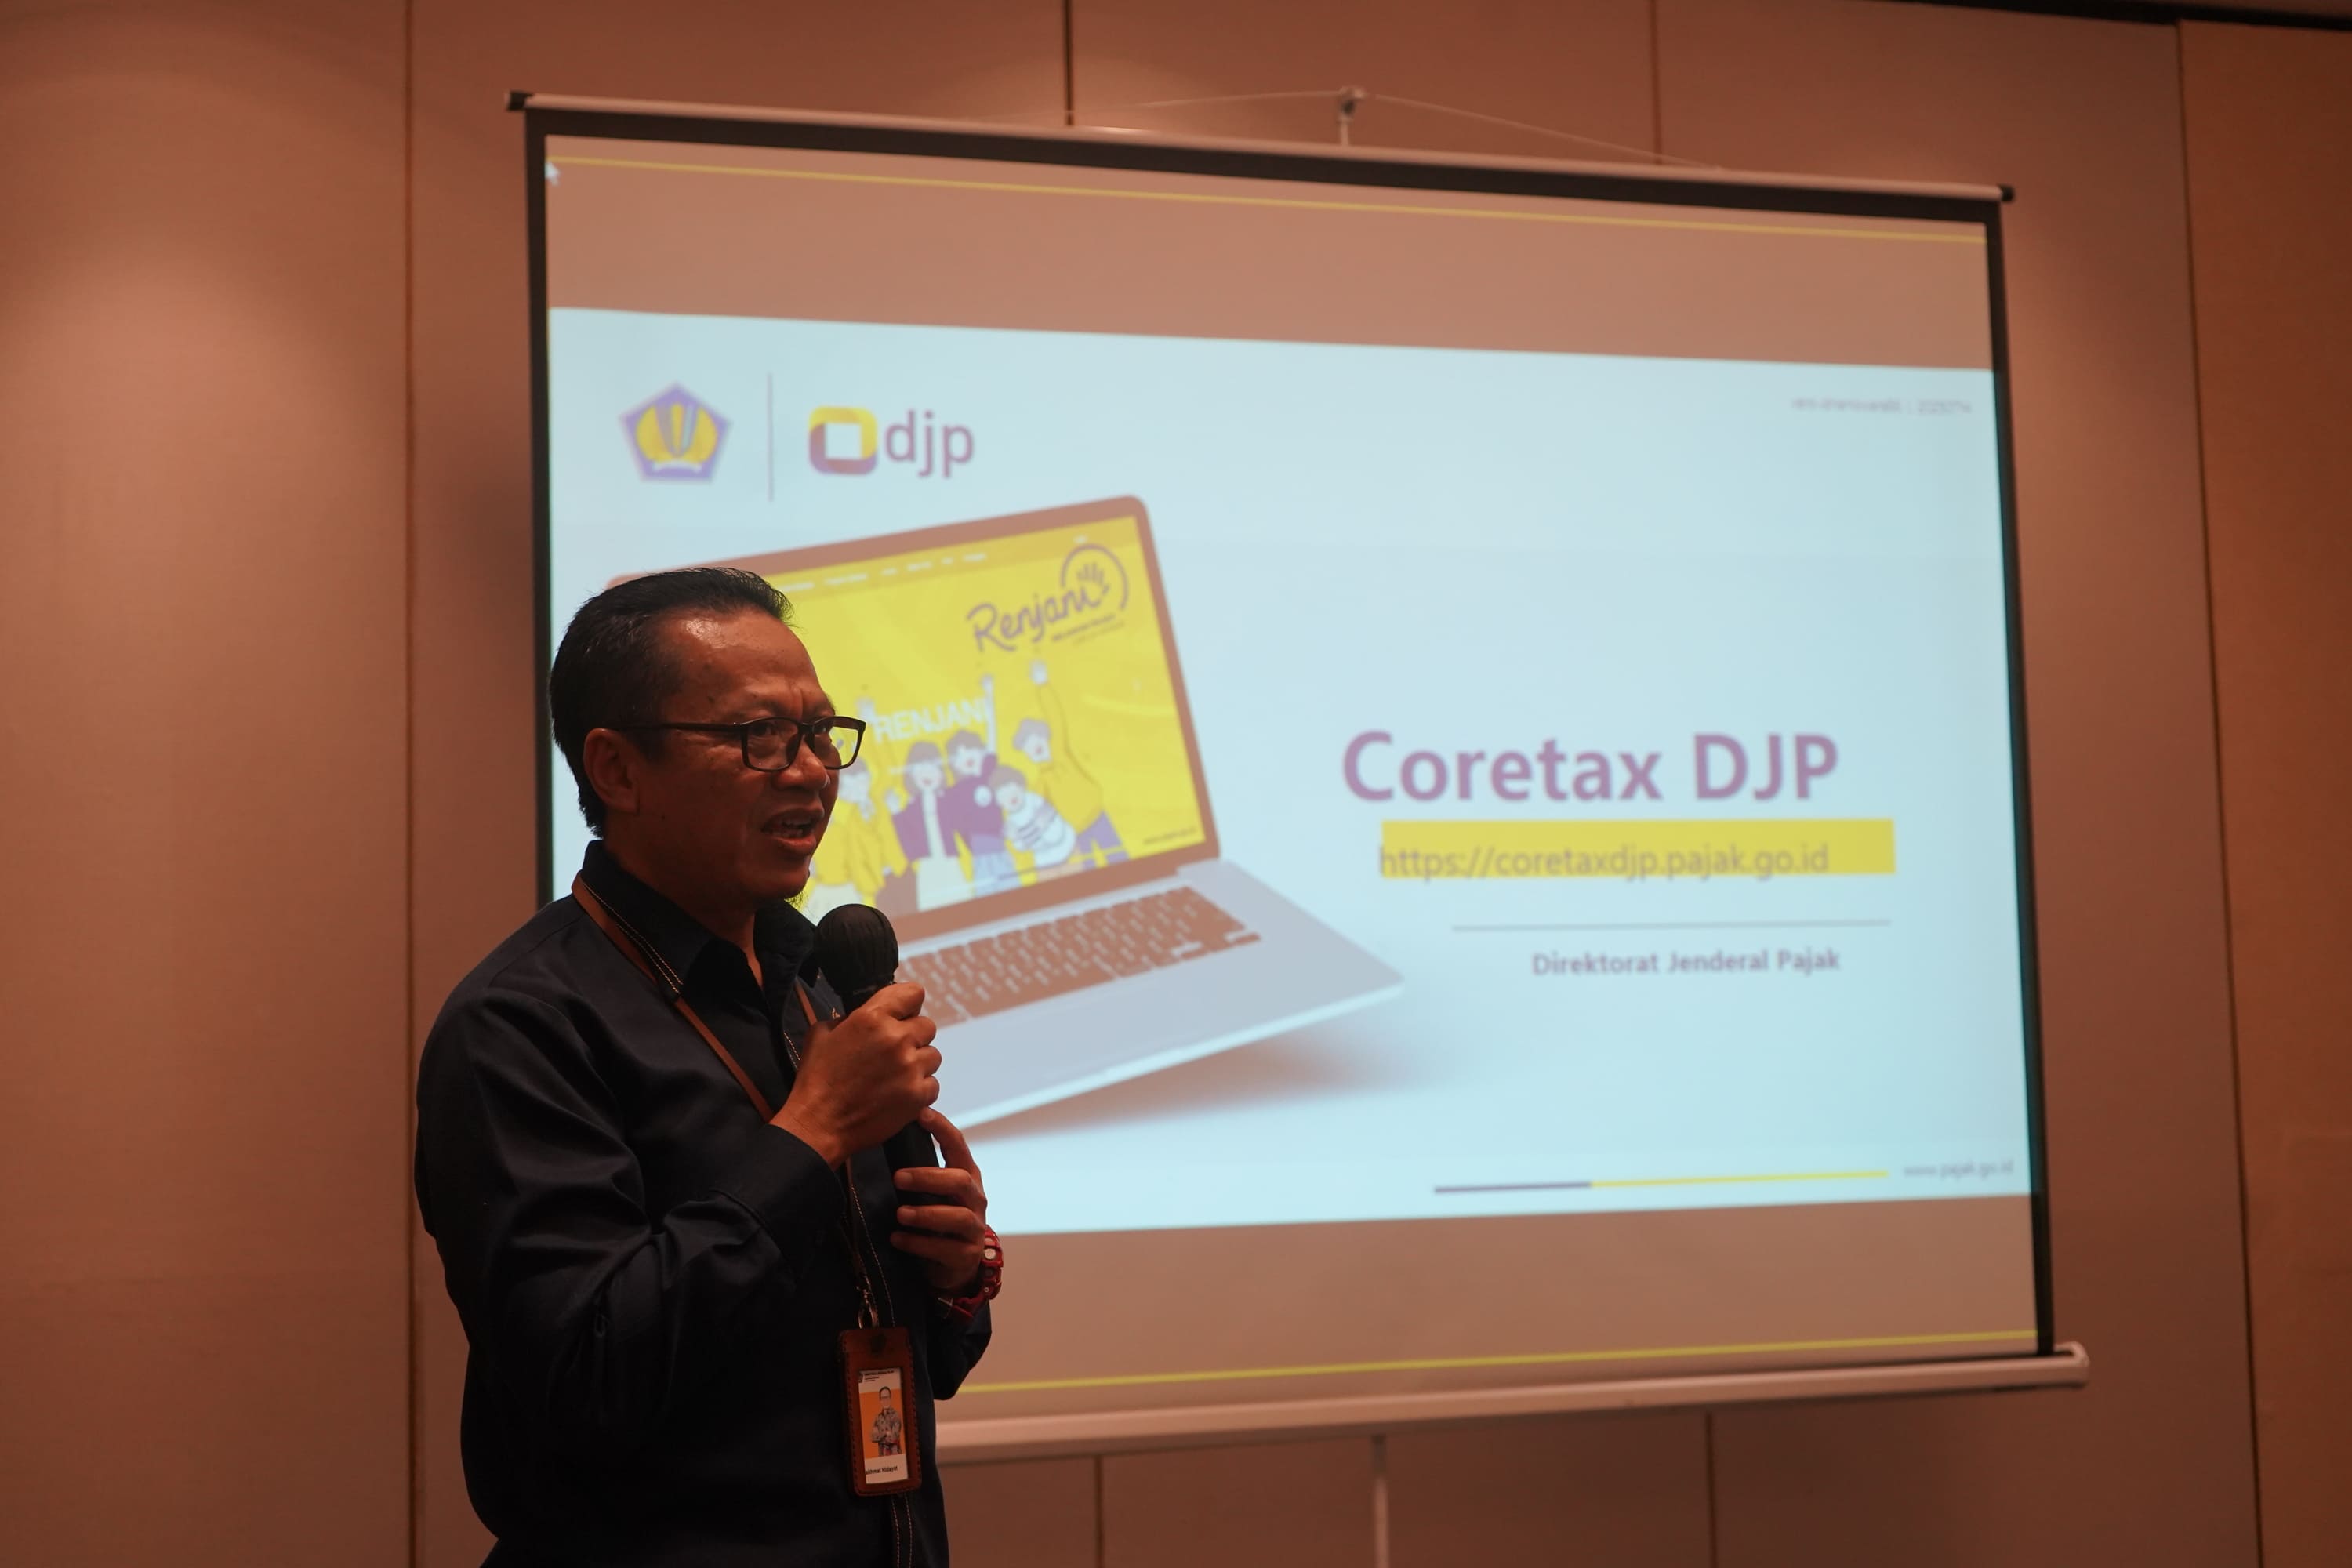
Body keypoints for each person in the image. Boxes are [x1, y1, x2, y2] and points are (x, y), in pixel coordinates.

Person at [415, 568, 999, 1567]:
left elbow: (896, 1351)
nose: (810, 771)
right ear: (617, 769)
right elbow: (582, 1376)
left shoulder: (818, 979)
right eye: (759, 735)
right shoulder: (524, 1023)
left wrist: (949, 1277)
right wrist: (809, 1136)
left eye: (820, 732)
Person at [1017, 658, 1127, 866]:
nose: (1034, 748)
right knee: (1090, 869)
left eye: (1036, 740)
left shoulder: (1060, 752)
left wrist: (1042, 685)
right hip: (1076, 832)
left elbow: (1056, 719)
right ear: (1027, 755)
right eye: (1028, 748)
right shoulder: (1041, 784)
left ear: (1046, 736)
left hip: (1097, 816)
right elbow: (1038, 810)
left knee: (1119, 858)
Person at [989, 762, 1078, 873]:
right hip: (1045, 860)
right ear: (999, 803)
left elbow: (1056, 834)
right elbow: (1022, 847)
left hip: (1066, 848)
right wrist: (1016, 838)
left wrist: (1038, 830)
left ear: (1021, 786)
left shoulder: (1035, 801)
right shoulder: (1011, 822)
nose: (1010, 797)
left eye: (1012, 789)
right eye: (1003, 795)